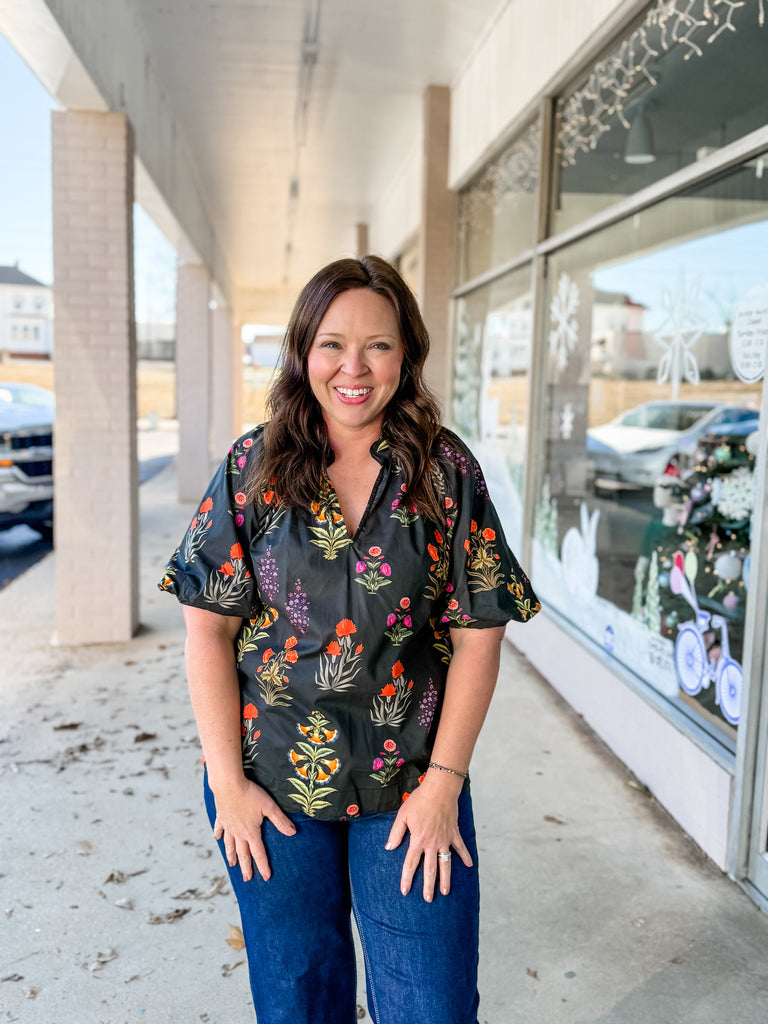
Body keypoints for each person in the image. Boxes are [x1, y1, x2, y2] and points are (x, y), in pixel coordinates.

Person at [159, 255, 540, 1024]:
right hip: (271, 783)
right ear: (304, 351)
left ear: (407, 354)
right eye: (332, 344)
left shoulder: (445, 472)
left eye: (378, 345)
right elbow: (207, 630)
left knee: (430, 1004)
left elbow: (479, 636)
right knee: (298, 999)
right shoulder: (252, 468)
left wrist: (444, 786)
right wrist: (227, 784)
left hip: (410, 784)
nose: (354, 368)